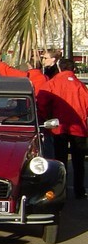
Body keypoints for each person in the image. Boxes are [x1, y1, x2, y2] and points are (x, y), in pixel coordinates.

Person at [37, 58, 88, 199]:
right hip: (79, 128)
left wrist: (46, 118)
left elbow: (41, 102)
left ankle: (60, 190)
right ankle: (79, 190)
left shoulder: (53, 84)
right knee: (78, 162)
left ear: (59, 68)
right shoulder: (80, 86)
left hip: (58, 126)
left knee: (60, 161)